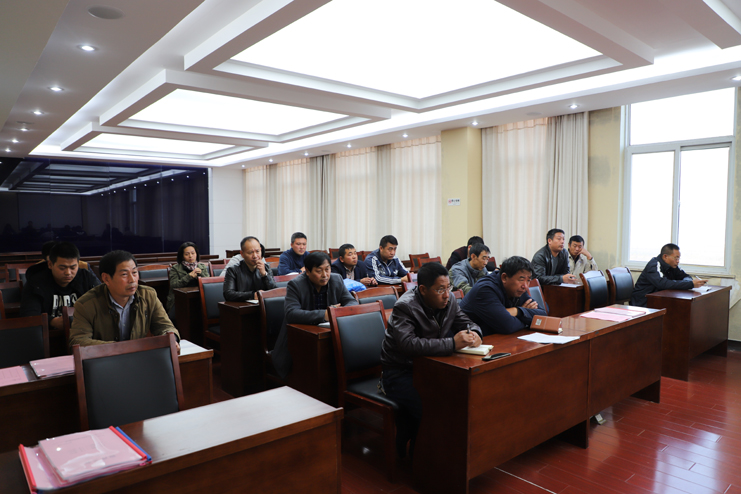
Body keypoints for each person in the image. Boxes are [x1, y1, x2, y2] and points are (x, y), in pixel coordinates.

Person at [380, 262, 482, 458]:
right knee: (433, 408)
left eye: (448, 287)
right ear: (423, 289)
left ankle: (443, 455)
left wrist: (476, 333)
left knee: (461, 397)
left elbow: (467, 323)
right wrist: (452, 343)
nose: (446, 295)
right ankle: (420, 460)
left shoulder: (450, 301)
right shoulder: (405, 306)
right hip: (400, 372)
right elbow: (408, 345)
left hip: (431, 369)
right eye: (440, 289)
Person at [68, 250, 180, 351]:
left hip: (138, 358)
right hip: (104, 361)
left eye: (134, 272)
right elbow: (79, 341)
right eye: (124, 274)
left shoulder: (148, 295)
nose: (132, 280)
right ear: (106, 278)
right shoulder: (86, 304)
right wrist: (120, 348)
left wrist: (171, 338)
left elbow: (165, 326)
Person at [271, 252, 357, 379]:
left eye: (327, 269)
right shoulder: (295, 284)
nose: (325, 275)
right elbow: (291, 313)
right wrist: (325, 314)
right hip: (300, 338)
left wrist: (339, 311)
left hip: (329, 335)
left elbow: (352, 302)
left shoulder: (336, 279)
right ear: (307, 271)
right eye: (319, 271)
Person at [20, 242, 100, 329]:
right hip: (49, 333)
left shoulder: (86, 277)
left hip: (84, 330)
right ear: (50, 264)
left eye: (73, 268)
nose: (68, 273)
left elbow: (103, 302)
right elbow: (29, 315)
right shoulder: (36, 282)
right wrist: (52, 321)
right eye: (62, 268)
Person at [460, 256, 547, 335]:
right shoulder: (485, 290)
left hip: (498, 337)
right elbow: (508, 326)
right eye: (521, 279)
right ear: (504, 278)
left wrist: (516, 311)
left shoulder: (518, 289)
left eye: (528, 280)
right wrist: (526, 317)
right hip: (471, 341)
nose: (525, 286)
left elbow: (543, 316)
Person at [630, 243, 707, 307]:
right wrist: (690, 284)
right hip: (643, 302)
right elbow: (662, 283)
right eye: (676, 258)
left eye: (679, 258)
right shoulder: (654, 265)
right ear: (665, 256)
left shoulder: (672, 266)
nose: (678, 261)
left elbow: (685, 276)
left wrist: (689, 282)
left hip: (660, 299)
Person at [224, 236, 277, 301]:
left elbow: (275, 291)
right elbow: (228, 294)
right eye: (250, 252)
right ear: (242, 254)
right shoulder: (233, 270)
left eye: (257, 251)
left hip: (264, 305)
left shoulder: (266, 267)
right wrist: (252, 295)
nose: (255, 256)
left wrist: (264, 275)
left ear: (261, 250)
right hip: (242, 306)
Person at [166, 241, 210, 318]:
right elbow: (173, 285)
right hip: (180, 300)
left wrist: (201, 274)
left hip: (199, 298)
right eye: (187, 254)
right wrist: (189, 276)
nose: (190, 256)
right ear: (182, 256)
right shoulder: (175, 268)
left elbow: (208, 284)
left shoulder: (202, 266)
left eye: (193, 253)